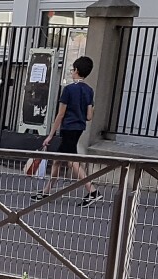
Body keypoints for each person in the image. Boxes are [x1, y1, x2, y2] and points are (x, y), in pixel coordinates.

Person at [33, 56, 99, 207]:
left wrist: (50, 135)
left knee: (72, 161)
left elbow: (60, 114)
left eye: (72, 69)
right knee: (57, 159)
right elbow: (89, 116)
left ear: (76, 70)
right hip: (79, 128)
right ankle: (46, 191)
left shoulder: (68, 90)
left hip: (68, 128)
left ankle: (92, 191)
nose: (71, 72)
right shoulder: (89, 90)